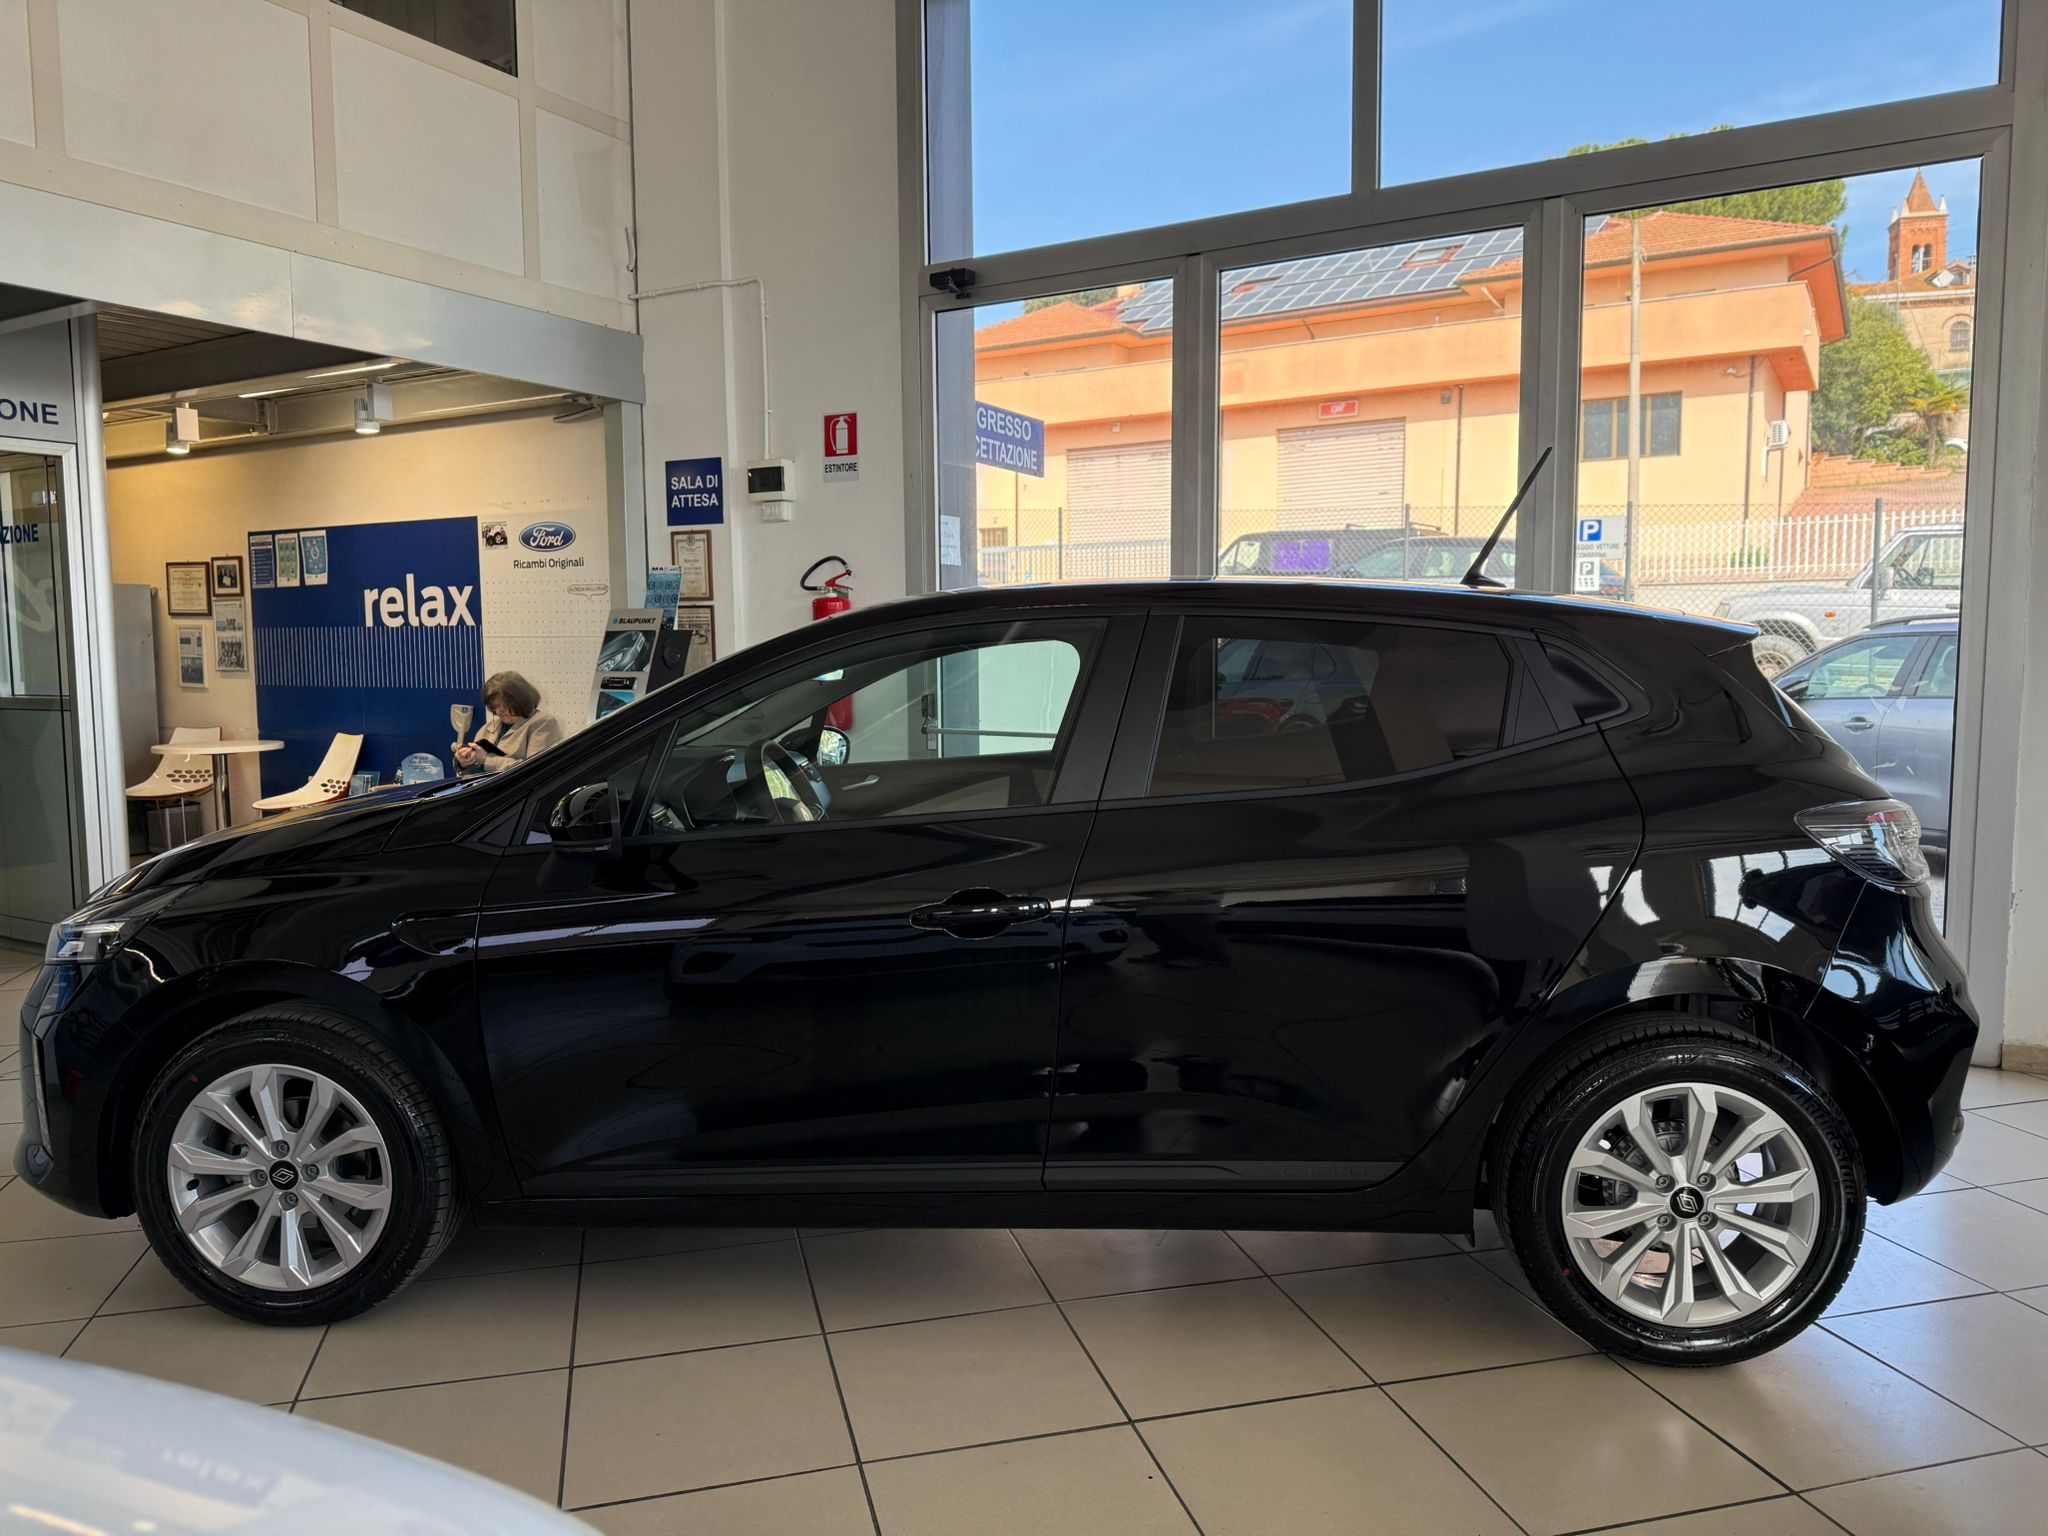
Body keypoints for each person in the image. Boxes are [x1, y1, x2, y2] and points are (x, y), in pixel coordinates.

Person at [455, 671, 563, 774]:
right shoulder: (488, 728)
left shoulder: (543, 723)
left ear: (519, 700)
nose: (498, 712)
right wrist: (465, 762)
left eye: (502, 706)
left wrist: (486, 759)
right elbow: (471, 774)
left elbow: (535, 770)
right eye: (494, 707)